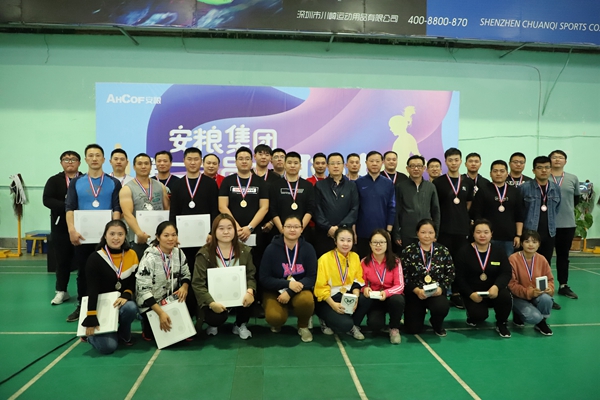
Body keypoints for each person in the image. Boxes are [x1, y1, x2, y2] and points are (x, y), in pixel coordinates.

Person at [65, 144, 122, 322]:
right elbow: (70, 208)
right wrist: (71, 230)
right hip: (83, 237)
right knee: (83, 272)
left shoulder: (114, 183)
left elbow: (117, 208)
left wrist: (114, 233)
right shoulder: (76, 182)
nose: (94, 158)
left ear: (104, 159)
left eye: (98, 155)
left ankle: (109, 306)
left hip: (106, 239)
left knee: (109, 272)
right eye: (91, 155)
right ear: (86, 159)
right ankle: (82, 305)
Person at [169, 147, 219, 316]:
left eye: (196, 159)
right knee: (186, 273)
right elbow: (174, 212)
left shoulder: (210, 184)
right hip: (183, 240)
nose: (192, 162)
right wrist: (174, 235)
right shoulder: (177, 185)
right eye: (189, 159)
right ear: (184, 161)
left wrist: (212, 233)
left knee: (205, 273)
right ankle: (188, 312)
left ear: (201, 162)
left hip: (205, 239)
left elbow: (215, 211)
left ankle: (207, 312)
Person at [192, 214, 256, 339]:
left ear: (235, 230)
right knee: (215, 318)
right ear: (214, 231)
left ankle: (240, 324)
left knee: (252, 295)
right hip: (214, 298)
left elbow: (250, 275)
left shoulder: (245, 251)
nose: (226, 232)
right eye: (221, 228)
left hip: (238, 295)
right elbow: (198, 283)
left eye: (229, 228)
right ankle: (213, 324)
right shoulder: (204, 253)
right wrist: (211, 303)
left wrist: (250, 291)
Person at [80, 220, 138, 354]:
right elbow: (92, 289)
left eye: (120, 234)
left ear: (125, 236)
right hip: (101, 306)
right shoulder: (95, 258)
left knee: (131, 307)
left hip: (119, 304)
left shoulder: (131, 254)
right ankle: (89, 337)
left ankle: (123, 335)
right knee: (108, 347)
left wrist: (126, 294)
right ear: (105, 236)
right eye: (112, 234)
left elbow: (133, 281)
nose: (116, 238)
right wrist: (91, 315)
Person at [259, 215, 317, 342]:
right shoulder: (271, 249)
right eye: (289, 226)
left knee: (307, 301)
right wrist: (287, 284)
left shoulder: (308, 249)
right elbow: (264, 278)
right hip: (275, 291)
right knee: (275, 318)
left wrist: (290, 291)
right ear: (282, 228)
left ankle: (303, 326)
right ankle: (278, 322)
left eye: (296, 227)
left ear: (301, 229)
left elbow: (311, 277)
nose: (292, 230)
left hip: (299, 289)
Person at [454, 220, 513, 338]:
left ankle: (501, 323)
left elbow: (506, 273)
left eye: (486, 232)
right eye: (478, 232)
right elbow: (459, 278)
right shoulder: (463, 252)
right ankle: (472, 316)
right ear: (473, 234)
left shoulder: (499, 251)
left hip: (493, 291)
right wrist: (470, 294)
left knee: (506, 297)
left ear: (491, 234)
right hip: (473, 292)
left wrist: (496, 286)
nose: (482, 235)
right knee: (479, 316)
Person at [433, 147, 474, 309]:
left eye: (456, 160)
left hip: (462, 230)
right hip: (444, 229)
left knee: (460, 263)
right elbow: (435, 206)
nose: (453, 163)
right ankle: (442, 292)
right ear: (446, 162)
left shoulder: (468, 182)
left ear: (461, 161)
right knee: (442, 262)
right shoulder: (438, 182)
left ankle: (457, 293)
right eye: (450, 160)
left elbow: (468, 204)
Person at [135, 221, 191, 341]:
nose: (170, 239)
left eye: (174, 235)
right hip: (151, 303)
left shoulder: (179, 253)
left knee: (190, 295)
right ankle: (146, 323)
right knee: (154, 336)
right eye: (166, 235)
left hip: (170, 299)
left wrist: (184, 287)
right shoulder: (149, 258)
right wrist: (160, 313)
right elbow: (143, 290)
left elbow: (186, 274)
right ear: (158, 237)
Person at [314, 228, 370, 340]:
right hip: (328, 299)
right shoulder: (324, 259)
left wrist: (356, 298)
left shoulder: (355, 257)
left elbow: (357, 280)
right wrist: (333, 305)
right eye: (342, 240)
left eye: (349, 240)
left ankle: (354, 326)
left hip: (347, 295)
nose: (345, 244)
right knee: (345, 324)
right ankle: (325, 319)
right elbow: (320, 287)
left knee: (366, 299)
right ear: (335, 241)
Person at [401, 219, 454, 336]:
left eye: (430, 232)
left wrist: (441, 288)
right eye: (423, 232)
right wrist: (416, 290)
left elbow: (450, 273)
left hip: (436, 292)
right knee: (413, 329)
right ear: (417, 233)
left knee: (441, 307)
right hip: (416, 293)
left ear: (435, 234)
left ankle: (436, 322)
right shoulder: (408, 251)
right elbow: (403, 275)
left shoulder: (443, 251)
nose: (427, 236)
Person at [43, 150, 81, 305]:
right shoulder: (54, 180)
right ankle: (61, 291)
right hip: (61, 227)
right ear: (61, 163)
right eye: (66, 159)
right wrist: (67, 206)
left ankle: (84, 292)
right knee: (62, 260)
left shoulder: (85, 180)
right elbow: (47, 200)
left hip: (82, 226)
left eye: (73, 159)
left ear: (79, 162)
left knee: (83, 261)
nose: (70, 162)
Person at [120, 153, 169, 260]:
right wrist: (139, 233)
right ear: (134, 167)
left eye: (146, 163)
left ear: (151, 166)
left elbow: (167, 210)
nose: (143, 166)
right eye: (140, 164)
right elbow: (127, 214)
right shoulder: (127, 189)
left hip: (160, 239)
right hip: (138, 239)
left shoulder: (160, 186)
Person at [470, 160, 523, 257]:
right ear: (490, 174)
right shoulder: (483, 190)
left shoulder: (515, 191)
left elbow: (519, 215)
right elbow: (477, 214)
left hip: (509, 238)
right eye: (495, 171)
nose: (498, 174)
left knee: (507, 263)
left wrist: (518, 235)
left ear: (507, 173)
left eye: (502, 171)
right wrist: (481, 234)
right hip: (488, 238)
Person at [361, 230, 405, 344]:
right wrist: (365, 288)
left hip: (390, 297)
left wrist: (386, 293)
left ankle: (394, 328)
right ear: (370, 244)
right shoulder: (364, 262)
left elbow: (400, 285)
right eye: (375, 242)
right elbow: (361, 283)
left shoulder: (395, 261)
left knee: (398, 300)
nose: (378, 245)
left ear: (387, 244)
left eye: (381, 242)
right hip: (375, 299)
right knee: (374, 325)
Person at [508, 230, 554, 335]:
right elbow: (512, 284)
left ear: (539, 244)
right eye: (527, 241)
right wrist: (530, 292)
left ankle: (541, 323)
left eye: (534, 242)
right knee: (534, 317)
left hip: (537, 295)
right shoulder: (513, 259)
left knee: (546, 299)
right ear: (522, 243)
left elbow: (550, 280)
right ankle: (518, 314)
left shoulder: (542, 259)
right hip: (517, 297)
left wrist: (549, 288)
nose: (531, 245)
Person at [218, 146, 269, 244]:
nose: (244, 161)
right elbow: (222, 206)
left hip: (255, 230)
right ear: (236, 162)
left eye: (247, 159)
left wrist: (249, 228)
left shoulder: (261, 182)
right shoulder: (227, 181)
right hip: (232, 230)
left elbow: (264, 207)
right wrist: (236, 227)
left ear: (251, 161)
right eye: (241, 159)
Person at [519, 156, 561, 272]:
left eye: (547, 167)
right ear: (533, 170)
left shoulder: (556, 188)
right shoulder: (524, 188)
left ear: (551, 170)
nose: (543, 170)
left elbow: (557, 208)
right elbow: (519, 211)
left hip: (549, 232)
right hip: (529, 232)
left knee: (545, 263)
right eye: (540, 168)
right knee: (527, 263)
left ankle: (543, 283)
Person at [314, 153, 359, 257]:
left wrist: (340, 228)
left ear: (343, 165)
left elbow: (354, 208)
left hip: (345, 234)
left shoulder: (351, 186)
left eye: (338, 163)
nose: (335, 166)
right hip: (324, 234)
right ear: (327, 166)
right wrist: (328, 227)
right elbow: (317, 209)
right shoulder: (319, 185)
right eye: (332, 163)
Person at [549, 150, 580, 300]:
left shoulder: (572, 178)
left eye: (560, 157)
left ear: (565, 161)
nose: (557, 160)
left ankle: (563, 285)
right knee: (544, 257)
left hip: (567, 224)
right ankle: (544, 287)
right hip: (547, 224)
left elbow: (576, 199)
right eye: (554, 157)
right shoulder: (544, 177)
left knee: (563, 256)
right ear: (549, 160)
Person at [355, 151, 396, 258]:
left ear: (382, 163)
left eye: (377, 161)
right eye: (371, 161)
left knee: (381, 261)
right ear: (366, 163)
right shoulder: (358, 183)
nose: (374, 164)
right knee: (363, 261)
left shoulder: (388, 183)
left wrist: (388, 230)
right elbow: (354, 208)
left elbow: (392, 207)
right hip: (362, 232)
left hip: (382, 232)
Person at [394, 155, 440, 249]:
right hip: (407, 233)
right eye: (412, 166)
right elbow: (396, 211)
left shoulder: (430, 187)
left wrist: (435, 233)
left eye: (419, 166)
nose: (416, 169)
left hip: (426, 234)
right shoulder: (401, 186)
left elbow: (436, 211)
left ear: (424, 168)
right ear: (407, 169)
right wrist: (397, 234)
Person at [269, 151, 315, 235]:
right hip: (280, 231)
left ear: (300, 166)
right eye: (289, 163)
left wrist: (300, 228)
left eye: (296, 163)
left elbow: (310, 209)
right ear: (284, 165)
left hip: (303, 232)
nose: (292, 165)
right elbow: (273, 209)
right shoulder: (275, 185)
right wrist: (282, 229)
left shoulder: (308, 185)